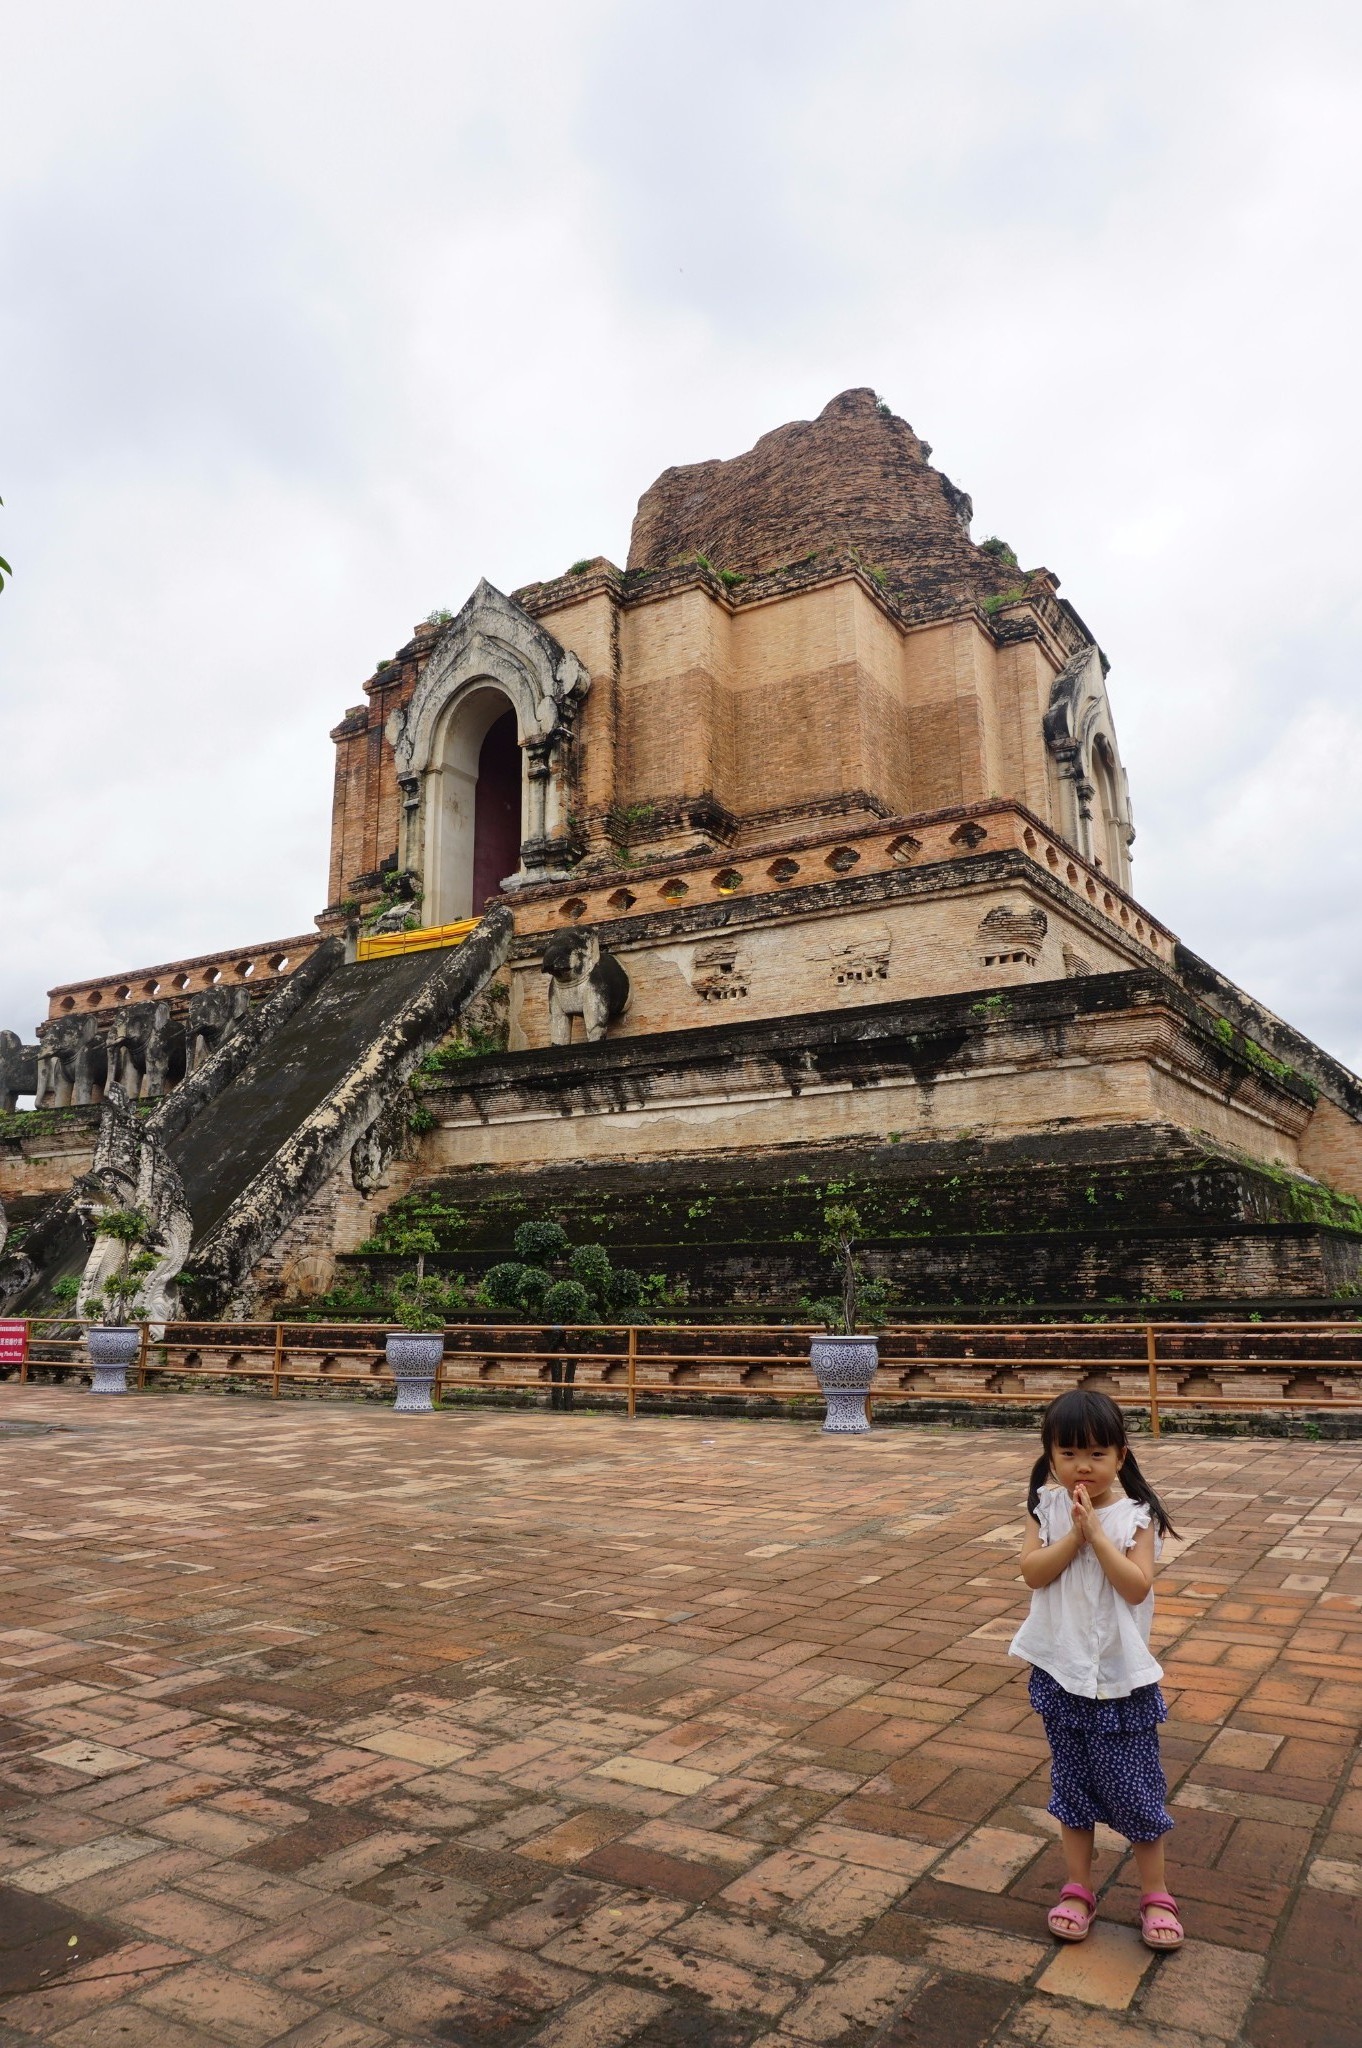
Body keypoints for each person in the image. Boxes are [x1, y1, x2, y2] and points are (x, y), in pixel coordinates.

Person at [1009, 1389, 1183, 1950]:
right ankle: (1079, 1888)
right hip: (1061, 1674)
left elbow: (1136, 1585)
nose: (1083, 1466)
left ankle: (1156, 1893)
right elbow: (1033, 1573)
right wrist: (1073, 1535)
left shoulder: (1136, 1515)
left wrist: (1098, 1535)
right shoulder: (1046, 1506)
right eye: (1068, 1454)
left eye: (1097, 1454)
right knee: (1073, 1787)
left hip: (1119, 1679)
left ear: (1121, 1457)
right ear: (1050, 1456)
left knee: (1135, 1793)